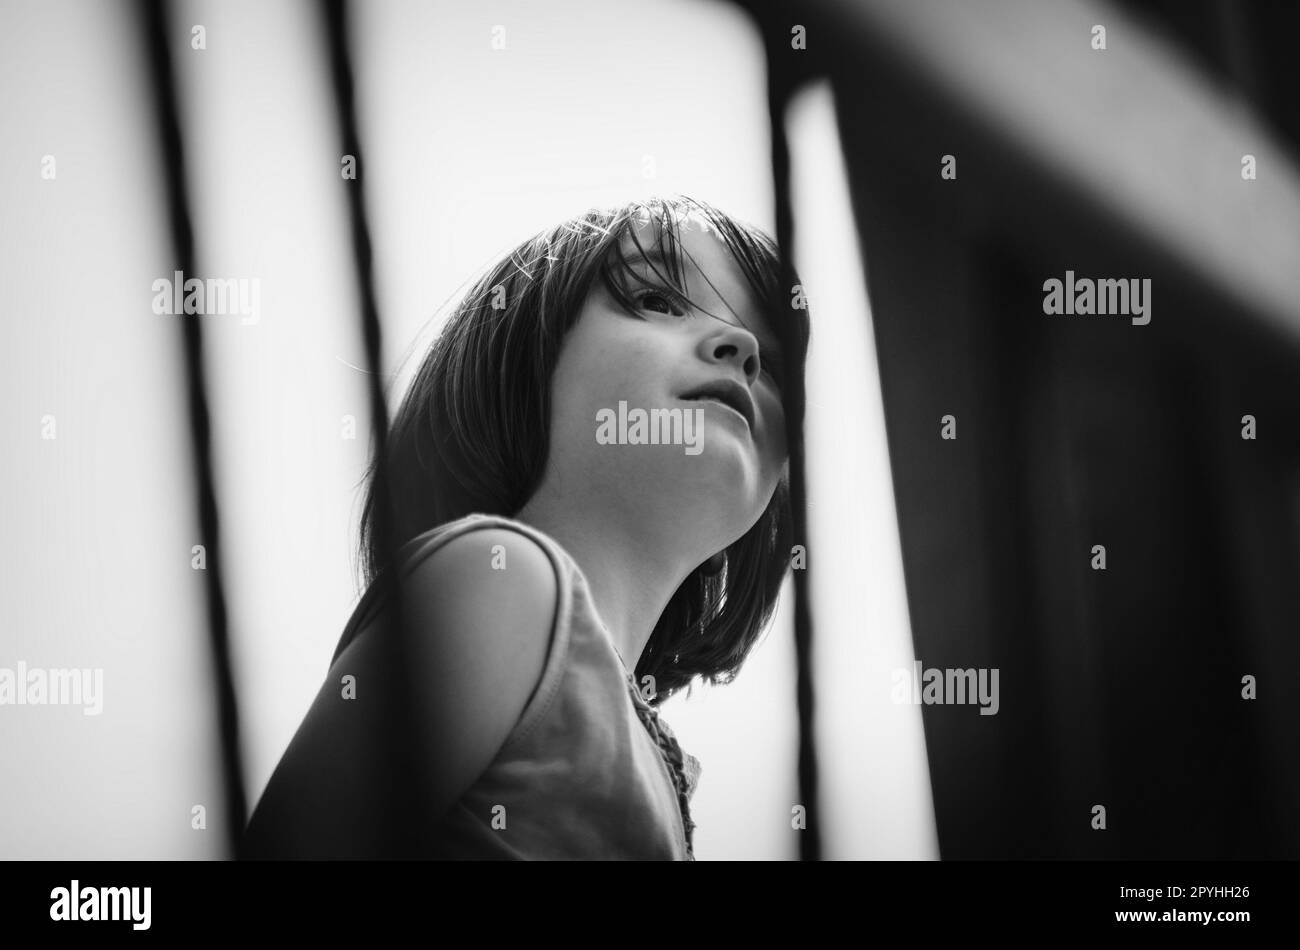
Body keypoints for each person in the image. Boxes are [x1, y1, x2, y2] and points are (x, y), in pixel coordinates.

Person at [240, 195, 809, 859]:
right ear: (524, 363)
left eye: (767, 360)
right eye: (656, 299)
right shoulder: (502, 578)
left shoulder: (659, 764)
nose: (738, 348)